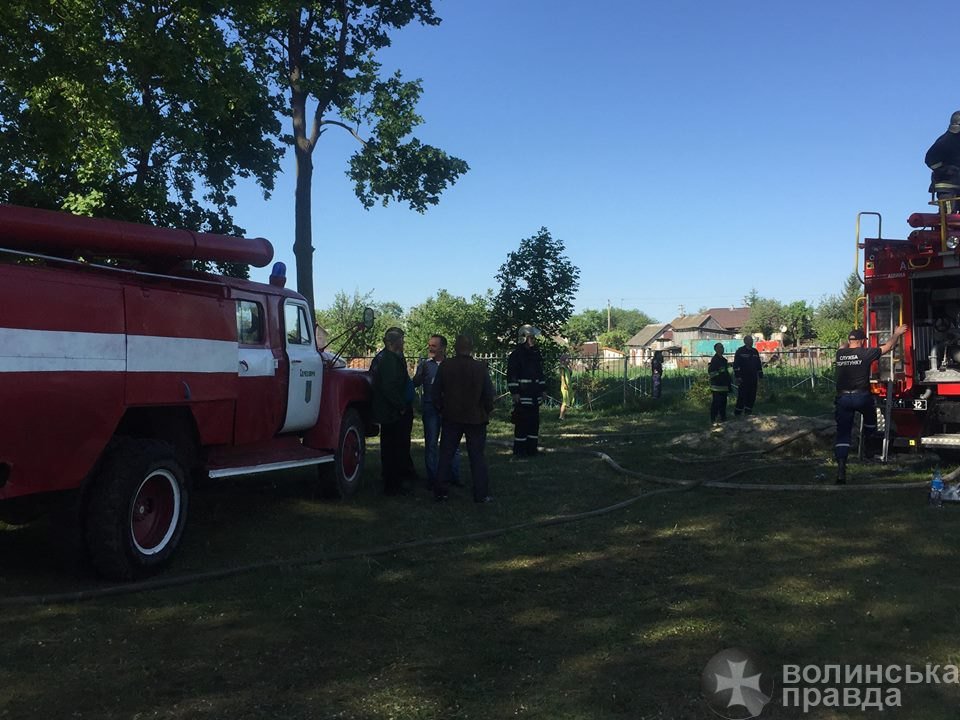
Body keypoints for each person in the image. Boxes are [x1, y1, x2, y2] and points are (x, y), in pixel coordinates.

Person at [834, 324, 908, 484]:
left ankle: (841, 468)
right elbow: (888, 347)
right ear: (861, 341)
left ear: (849, 341)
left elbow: (843, 346)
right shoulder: (865, 353)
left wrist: (850, 341)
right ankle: (869, 444)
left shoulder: (840, 354)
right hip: (861, 396)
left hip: (843, 398)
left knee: (843, 433)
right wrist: (897, 333)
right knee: (870, 418)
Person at [432, 335, 495, 503]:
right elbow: (488, 394)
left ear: (455, 348)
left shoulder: (446, 366)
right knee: (477, 457)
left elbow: (435, 391)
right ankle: (481, 493)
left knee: (446, 455)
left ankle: (440, 491)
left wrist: (441, 409)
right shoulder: (480, 368)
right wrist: (487, 410)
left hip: (451, 416)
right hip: (475, 418)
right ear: (471, 348)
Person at [371, 326, 417, 495]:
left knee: (395, 446)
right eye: (401, 340)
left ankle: (396, 479)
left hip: (394, 410)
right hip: (392, 412)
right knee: (394, 447)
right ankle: (393, 483)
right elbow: (389, 386)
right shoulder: (388, 360)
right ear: (394, 342)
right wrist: (401, 406)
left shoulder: (393, 357)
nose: (403, 343)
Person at [412, 334, 460, 488]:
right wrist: (418, 374)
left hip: (448, 408)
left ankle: (454, 476)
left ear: (443, 348)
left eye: (434, 346)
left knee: (452, 443)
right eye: (430, 345)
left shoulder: (451, 365)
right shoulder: (425, 365)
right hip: (431, 408)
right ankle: (432, 478)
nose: (430, 348)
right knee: (431, 443)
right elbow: (415, 382)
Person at [507, 325, 546, 456]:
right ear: (523, 338)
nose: (533, 340)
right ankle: (520, 451)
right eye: (531, 338)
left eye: (534, 338)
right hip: (523, 396)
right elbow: (512, 375)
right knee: (522, 424)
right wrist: (515, 392)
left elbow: (540, 374)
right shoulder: (516, 355)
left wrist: (543, 389)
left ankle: (532, 449)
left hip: (535, 396)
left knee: (534, 424)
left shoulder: (535, 354)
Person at [925, 111, 960, 214]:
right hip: (947, 188)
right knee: (948, 217)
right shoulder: (946, 140)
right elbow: (930, 159)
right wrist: (945, 170)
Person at [732, 335, 763, 416]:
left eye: (752, 340)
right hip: (743, 377)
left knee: (752, 395)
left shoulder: (754, 351)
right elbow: (736, 365)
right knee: (742, 395)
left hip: (753, 377)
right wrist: (738, 376)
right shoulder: (740, 351)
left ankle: (748, 412)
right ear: (745, 341)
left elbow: (758, 364)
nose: (751, 342)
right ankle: (738, 412)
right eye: (749, 340)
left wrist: (760, 374)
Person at [708, 343, 732, 425]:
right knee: (716, 403)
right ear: (716, 349)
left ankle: (723, 418)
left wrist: (729, 381)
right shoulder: (715, 360)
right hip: (716, 386)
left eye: (723, 347)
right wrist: (719, 372)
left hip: (724, 385)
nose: (722, 348)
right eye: (721, 347)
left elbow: (725, 372)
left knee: (723, 403)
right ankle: (713, 419)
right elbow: (711, 373)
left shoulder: (724, 360)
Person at [558, 354, 573, 420]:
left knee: (567, 401)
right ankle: (561, 416)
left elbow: (570, 374)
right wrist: (564, 384)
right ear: (563, 360)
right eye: (567, 358)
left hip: (569, 386)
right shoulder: (562, 367)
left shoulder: (567, 367)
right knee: (565, 401)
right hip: (565, 386)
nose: (569, 360)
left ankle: (563, 415)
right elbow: (562, 376)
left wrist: (570, 368)